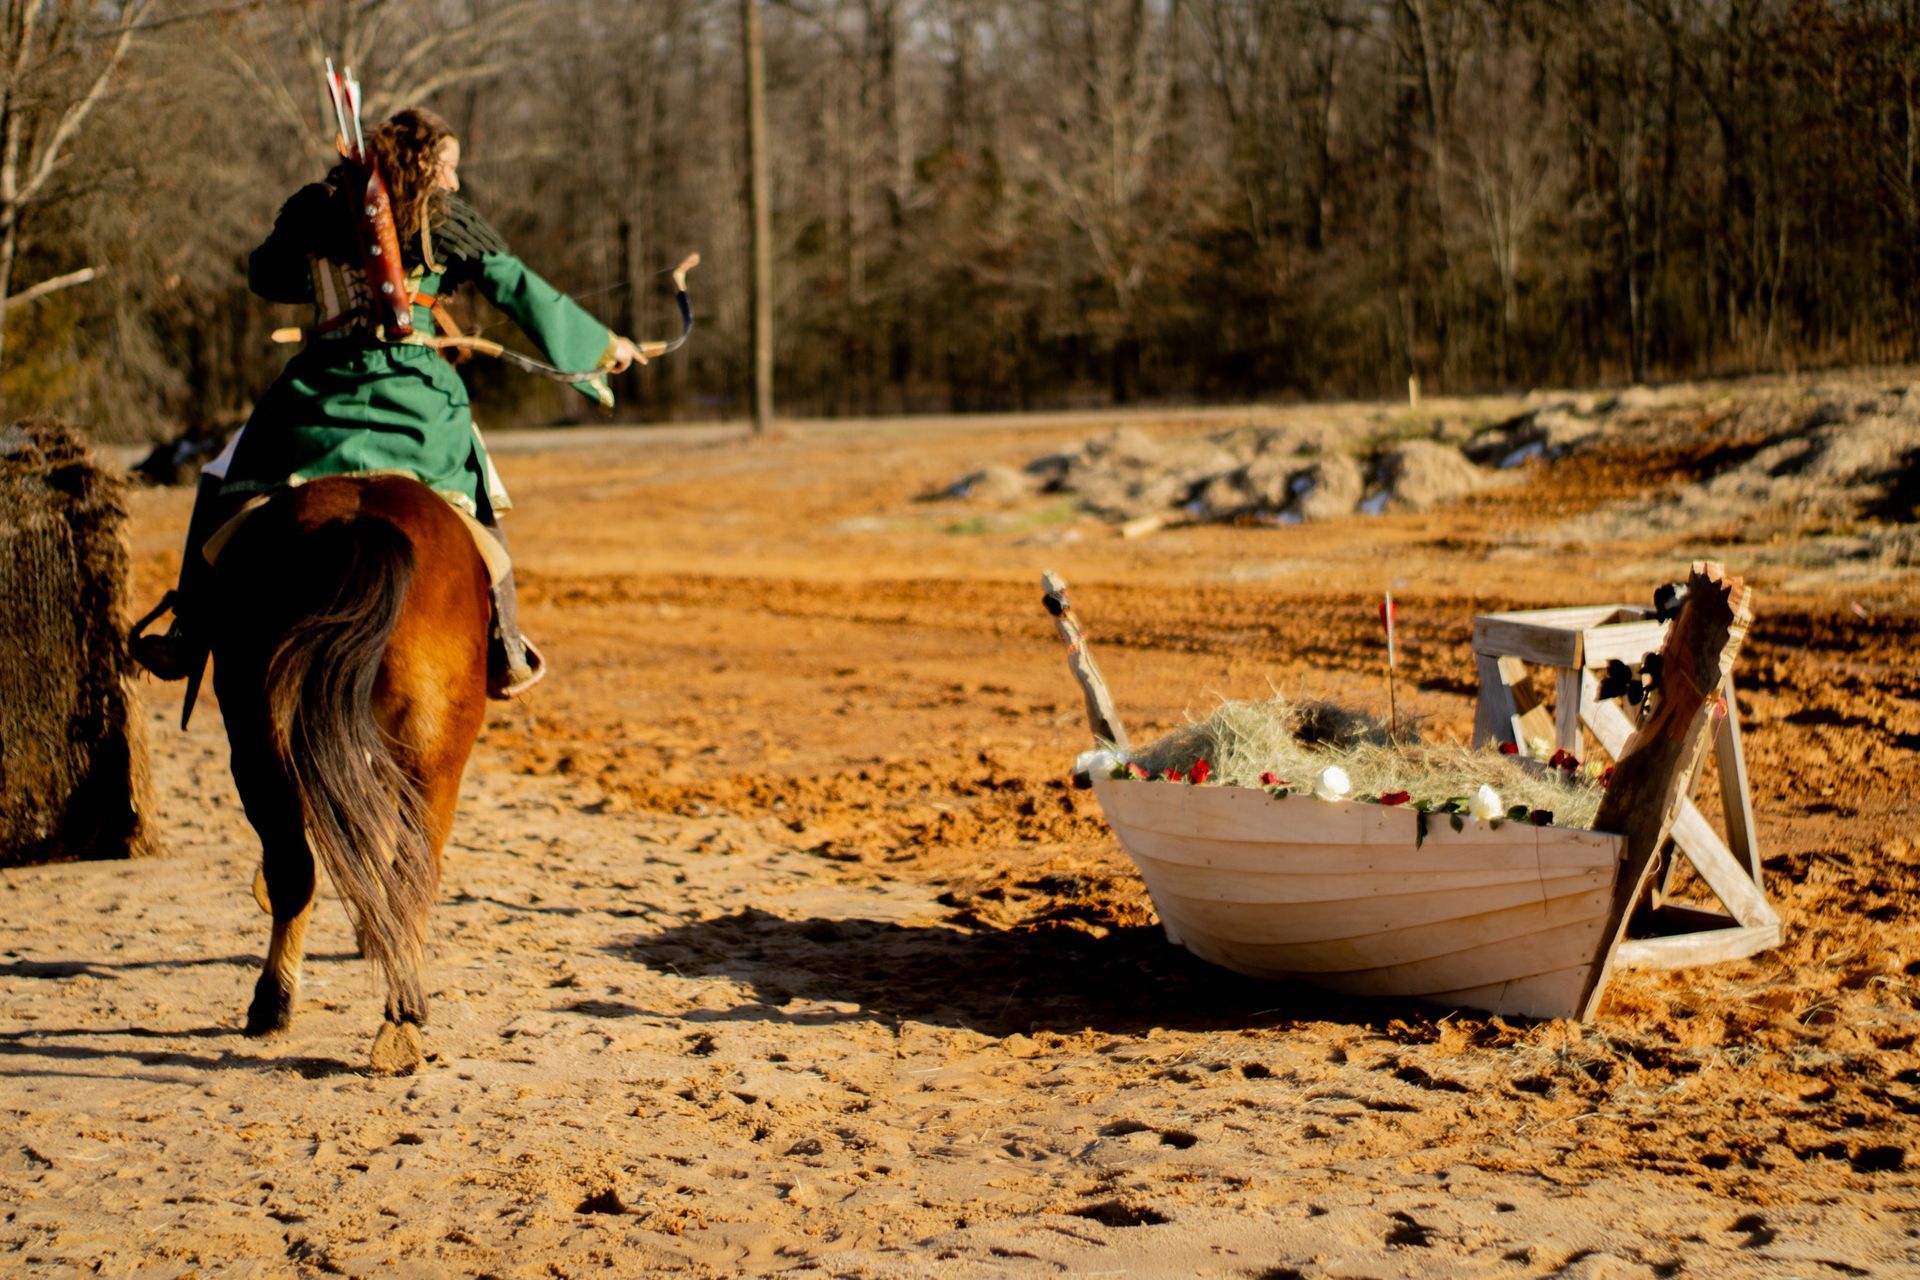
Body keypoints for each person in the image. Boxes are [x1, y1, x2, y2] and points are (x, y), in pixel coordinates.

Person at [132, 106, 643, 698]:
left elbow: (265, 278)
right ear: (424, 160)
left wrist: (322, 261)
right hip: (417, 398)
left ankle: (189, 629)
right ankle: (504, 643)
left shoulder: (315, 207)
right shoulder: (445, 217)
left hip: (317, 398)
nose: (454, 182)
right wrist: (602, 349)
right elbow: (517, 288)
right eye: (449, 167)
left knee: (222, 474)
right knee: (478, 489)